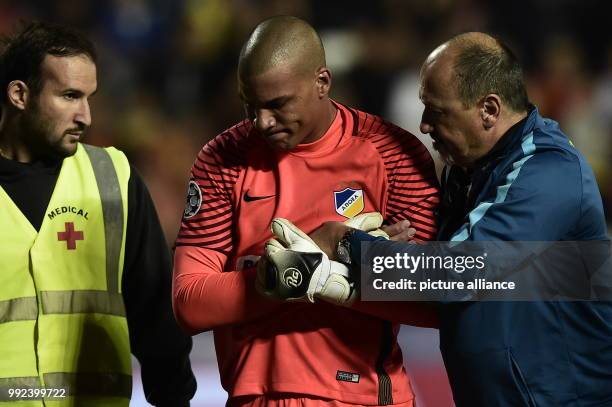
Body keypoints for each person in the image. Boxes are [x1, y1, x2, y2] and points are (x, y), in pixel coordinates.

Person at [272, 32, 612, 406]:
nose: (424, 125)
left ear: (489, 109)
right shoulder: (466, 172)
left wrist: (344, 242)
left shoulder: (549, 172)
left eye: (437, 111)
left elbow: (460, 271)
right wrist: (376, 254)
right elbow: (440, 282)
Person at [173, 16, 441, 407]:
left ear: (322, 82)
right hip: (256, 397)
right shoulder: (222, 159)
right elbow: (189, 302)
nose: (262, 122)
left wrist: (338, 270)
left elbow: (438, 300)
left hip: (363, 396)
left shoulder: (393, 155)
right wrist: (299, 265)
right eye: (251, 106)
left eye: (278, 104)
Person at [0, 22, 196, 406]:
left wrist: (173, 398)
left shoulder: (113, 180)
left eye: (89, 97)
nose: (85, 116)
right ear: (20, 94)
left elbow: (156, 310)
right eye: (70, 96)